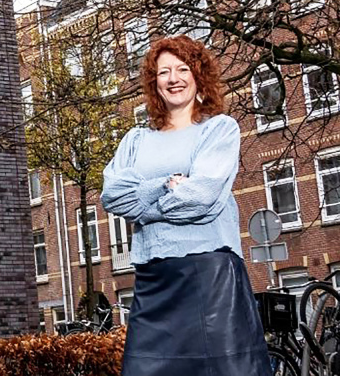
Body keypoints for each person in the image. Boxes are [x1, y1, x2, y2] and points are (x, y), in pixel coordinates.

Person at [101, 35, 271, 375]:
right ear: (154, 82)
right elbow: (113, 196)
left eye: (182, 69)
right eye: (164, 72)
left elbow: (201, 197)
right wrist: (166, 185)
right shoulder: (135, 140)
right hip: (153, 277)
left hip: (208, 275)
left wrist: (144, 209)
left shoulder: (218, 129)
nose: (173, 78)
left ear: (198, 76)